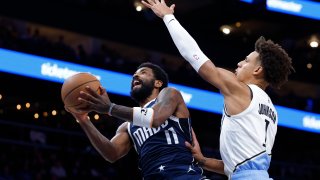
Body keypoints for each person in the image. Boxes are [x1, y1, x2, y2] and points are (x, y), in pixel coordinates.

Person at [141, 0, 294, 179]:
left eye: (245, 61)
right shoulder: (271, 111)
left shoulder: (242, 90)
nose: (239, 63)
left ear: (257, 70)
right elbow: (239, 166)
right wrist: (204, 161)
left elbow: (194, 55)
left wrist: (168, 17)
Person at [66, 62, 207, 180]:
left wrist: (110, 108)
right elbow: (111, 154)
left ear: (158, 83)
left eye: (143, 72)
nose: (135, 75)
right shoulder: (128, 125)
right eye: (134, 74)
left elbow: (155, 118)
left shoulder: (170, 93)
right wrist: (83, 120)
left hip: (185, 175)